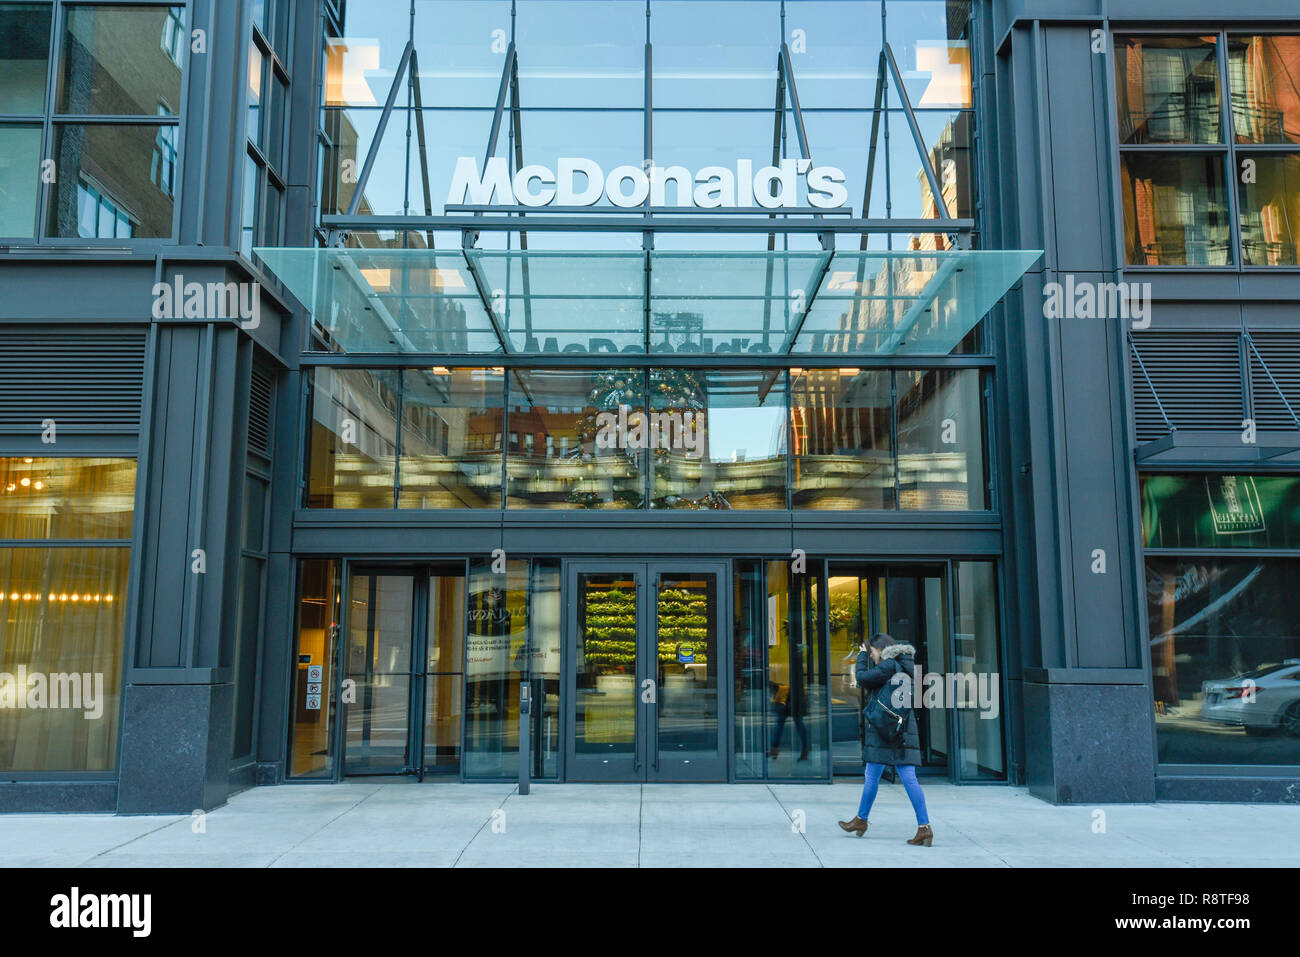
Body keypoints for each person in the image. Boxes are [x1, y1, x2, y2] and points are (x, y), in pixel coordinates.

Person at [837, 633, 932, 845]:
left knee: (893, 776)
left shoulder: (889, 665)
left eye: (872, 652)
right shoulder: (905, 664)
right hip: (901, 728)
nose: (871, 656)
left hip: (886, 729)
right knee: (888, 774)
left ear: (880, 649)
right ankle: (863, 820)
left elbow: (862, 679)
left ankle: (922, 827)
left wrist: (861, 655)